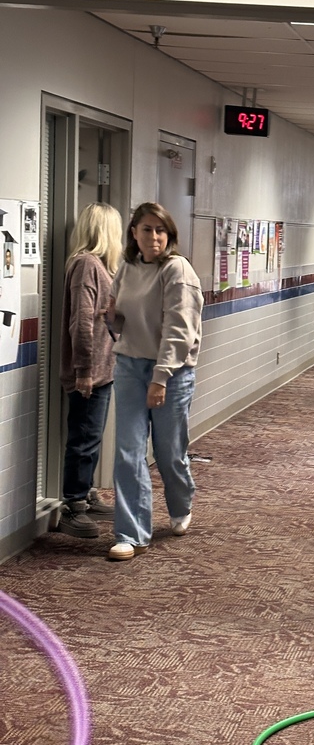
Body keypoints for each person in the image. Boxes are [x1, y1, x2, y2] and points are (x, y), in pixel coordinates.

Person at [108, 202, 203, 561]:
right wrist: (111, 319)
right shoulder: (127, 267)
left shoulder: (177, 270)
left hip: (173, 372)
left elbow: (179, 331)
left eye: (161, 230)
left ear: (170, 235)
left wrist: (161, 379)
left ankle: (181, 504)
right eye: (146, 229)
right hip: (130, 366)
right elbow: (120, 319)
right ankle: (130, 534)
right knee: (128, 451)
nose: (154, 237)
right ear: (134, 233)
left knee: (168, 453)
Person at [58, 202, 124, 539]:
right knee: (83, 438)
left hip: (102, 367)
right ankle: (73, 505)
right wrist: (83, 369)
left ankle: (85, 493)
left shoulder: (101, 267)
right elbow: (80, 321)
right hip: (89, 370)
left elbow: (104, 316)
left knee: (92, 436)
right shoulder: (86, 264)